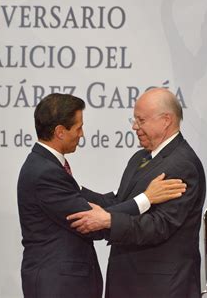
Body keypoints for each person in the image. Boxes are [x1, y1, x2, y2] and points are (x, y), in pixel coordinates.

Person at [17, 93, 187, 298]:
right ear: (60, 132)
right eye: (78, 128)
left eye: (141, 120)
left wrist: (129, 194)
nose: (82, 134)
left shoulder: (46, 165)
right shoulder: (45, 172)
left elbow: (93, 203)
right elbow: (89, 221)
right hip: (58, 286)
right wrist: (146, 198)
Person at [67, 88, 205, 298]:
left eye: (140, 120)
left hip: (159, 286)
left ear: (166, 120)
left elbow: (159, 225)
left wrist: (109, 221)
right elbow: (119, 200)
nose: (134, 127)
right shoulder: (141, 157)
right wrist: (71, 188)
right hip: (133, 281)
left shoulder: (182, 164)